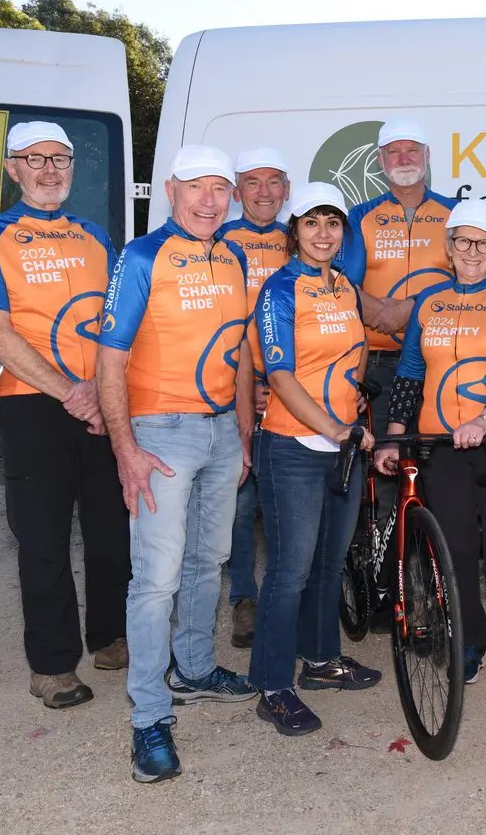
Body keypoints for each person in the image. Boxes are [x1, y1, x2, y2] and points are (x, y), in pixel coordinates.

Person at [98, 145, 259, 784]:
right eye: (197, 187)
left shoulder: (235, 254)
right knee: (157, 578)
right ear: (171, 190)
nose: (210, 200)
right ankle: (149, 718)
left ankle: (192, 669)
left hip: (221, 432)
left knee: (208, 561)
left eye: (221, 188)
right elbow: (109, 359)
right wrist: (125, 450)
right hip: (159, 432)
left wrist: (242, 432)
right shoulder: (142, 257)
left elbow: (240, 349)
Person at [0, 120, 130, 709]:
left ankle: (110, 636)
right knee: (42, 538)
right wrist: (71, 393)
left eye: (60, 159)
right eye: (36, 160)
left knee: (113, 530)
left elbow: (118, 326)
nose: (50, 170)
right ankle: (54, 666)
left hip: (100, 404)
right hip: (33, 406)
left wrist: (105, 397)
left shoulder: (95, 236)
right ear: (13, 169)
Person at [377, 198, 486, 695]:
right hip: (439, 447)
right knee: (458, 555)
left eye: (482, 243)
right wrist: (395, 436)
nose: (472, 251)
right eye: (462, 241)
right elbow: (408, 372)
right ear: (448, 248)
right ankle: (468, 640)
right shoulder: (429, 302)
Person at [248, 182, 381, 735]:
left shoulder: (345, 286)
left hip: (342, 446)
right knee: (288, 574)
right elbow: (278, 374)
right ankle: (273, 687)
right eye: (312, 223)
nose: (323, 233)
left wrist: (354, 418)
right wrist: (334, 427)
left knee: (329, 564)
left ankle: (322, 662)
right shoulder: (279, 290)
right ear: (294, 231)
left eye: (333, 223)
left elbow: (358, 351)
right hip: (293, 446)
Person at [338, 120, 450, 535]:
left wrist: (412, 307)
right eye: (394, 152)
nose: (404, 160)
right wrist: (381, 314)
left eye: (412, 151)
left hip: (441, 362)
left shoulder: (453, 214)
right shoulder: (360, 216)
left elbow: (468, 282)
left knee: (440, 472)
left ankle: (436, 576)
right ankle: (389, 580)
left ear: (426, 157)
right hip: (381, 364)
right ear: (381, 161)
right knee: (387, 468)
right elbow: (342, 283)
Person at [213, 147, 291, 649]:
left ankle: (291, 594)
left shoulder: (301, 238)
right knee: (239, 505)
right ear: (238, 191)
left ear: (286, 190)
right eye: (252, 182)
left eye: (273, 182)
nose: (263, 191)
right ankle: (243, 598)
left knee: (289, 501)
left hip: (293, 392)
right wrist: (248, 387)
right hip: (231, 389)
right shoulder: (216, 240)